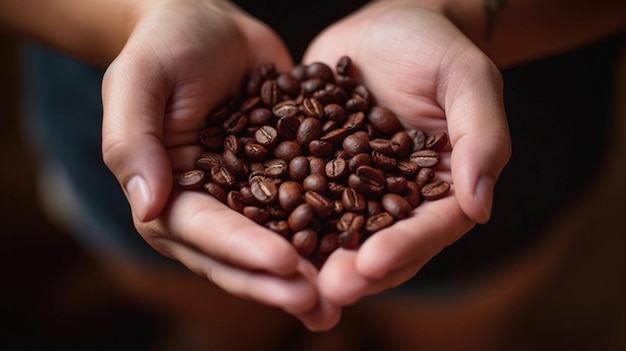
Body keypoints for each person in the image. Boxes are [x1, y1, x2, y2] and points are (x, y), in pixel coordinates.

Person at [1, 0, 625, 348]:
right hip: (138, 105)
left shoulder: (372, 158)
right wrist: (140, 18)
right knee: (206, 307)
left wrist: (458, 15)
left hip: (492, 114)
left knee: (457, 323)